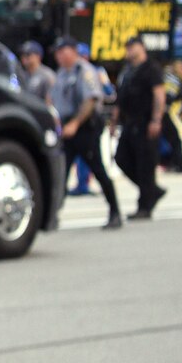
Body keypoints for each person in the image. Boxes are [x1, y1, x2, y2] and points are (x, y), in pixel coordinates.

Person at [52, 40, 124, 229]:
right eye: (58, 53)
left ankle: (115, 211)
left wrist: (75, 123)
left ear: (73, 52)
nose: (59, 56)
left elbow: (91, 100)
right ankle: (52, 214)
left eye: (63, 52)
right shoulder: (61, 74)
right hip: (67, 128)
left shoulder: (85, 71)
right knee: (61, 173)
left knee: (98, 170)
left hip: (85, 127)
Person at [114, 34, 167, 218]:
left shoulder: (151, 68)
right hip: (129, 122)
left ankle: (144, 207)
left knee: (146, 165)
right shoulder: (127, 70)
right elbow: (120, 99)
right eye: (128, 47)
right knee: (121, 158)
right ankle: (153, 191)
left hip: (145, 122)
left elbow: (159, 95)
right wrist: (114, 121)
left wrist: (156, 120)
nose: (129, 50)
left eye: (133, 46)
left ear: (142, 47)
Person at [16, 40, 55, 109]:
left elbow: (51, 101)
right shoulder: (22, 75)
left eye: (28, 55)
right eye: (22, 55)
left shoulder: (47, 74)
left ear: (38, 56)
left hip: (41, 113)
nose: (24, 58)